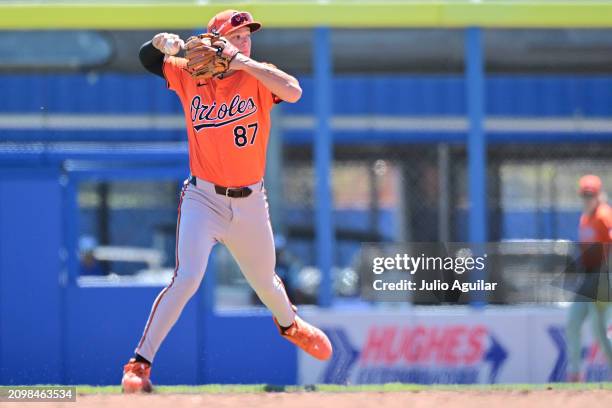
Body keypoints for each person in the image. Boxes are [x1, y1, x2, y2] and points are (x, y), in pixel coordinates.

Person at [121, 10, 332, 393]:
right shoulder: (189, 73)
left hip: (251, 201)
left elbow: (294, 91)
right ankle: (139, 364)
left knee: (266, 282)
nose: (245, 39)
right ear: (213, 39)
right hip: (204, 197)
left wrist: (239, 60)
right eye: (236, 35)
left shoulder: (256, 74)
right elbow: (147, 59)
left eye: (247, 34)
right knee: (186, 279)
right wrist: (162, 43)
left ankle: (291, 325)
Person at [566, 174, 612, 382]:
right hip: (588, 279)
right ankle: (575, 373)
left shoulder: (605, 216)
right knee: (573, 322)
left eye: (590, 194)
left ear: (599, 195)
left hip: (603, 278)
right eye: (584, 195)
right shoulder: (585, 218)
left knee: (600, 330)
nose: (587, 198)